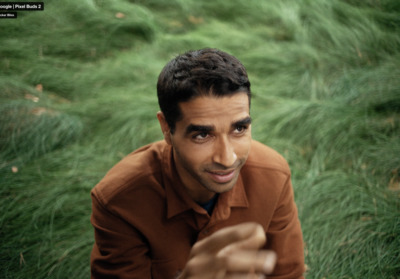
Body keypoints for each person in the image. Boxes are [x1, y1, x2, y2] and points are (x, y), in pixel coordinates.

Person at [90, 48, 305, 278]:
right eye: (202, 135)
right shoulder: (119, 200)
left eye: (239, 128)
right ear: (166, 128)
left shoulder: (274, 175)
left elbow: (288, 274)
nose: (227, 159)